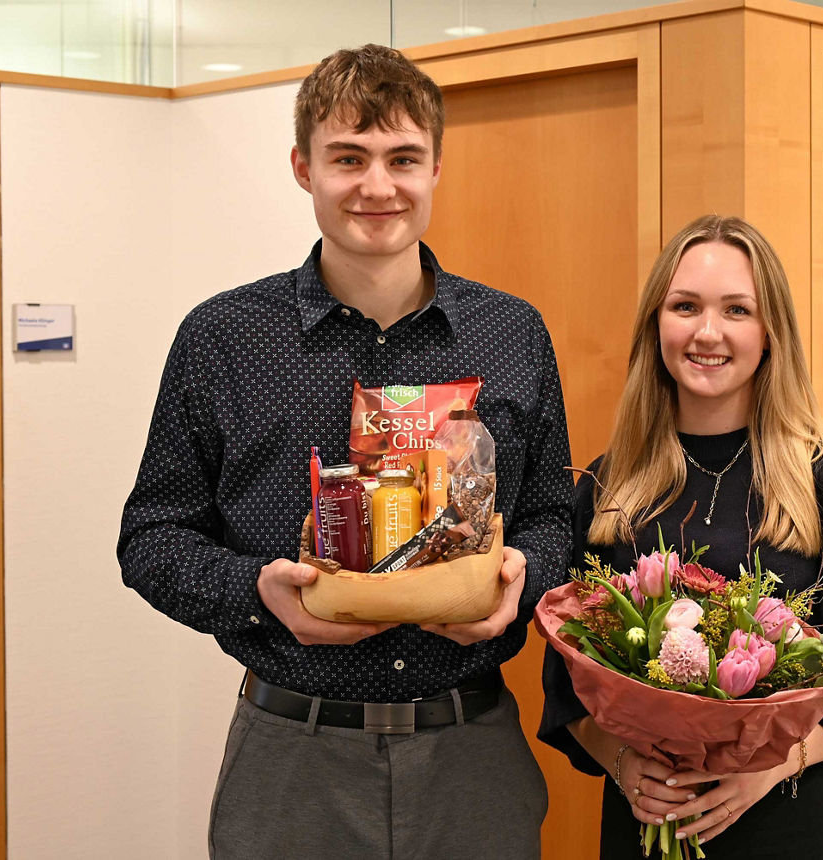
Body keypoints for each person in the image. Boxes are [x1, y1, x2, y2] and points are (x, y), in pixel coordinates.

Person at [118, 45, 571, 859]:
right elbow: (152, 540)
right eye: (348, 158)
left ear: (437, 167)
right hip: (290, 758)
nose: (377, 186)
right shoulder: (222, 338)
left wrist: (519, 585)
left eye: (403, 158)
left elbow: (550, 518)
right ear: (303, 168)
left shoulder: (514, 334)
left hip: (472, 752)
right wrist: (260, 592)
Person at [538, 214, 823, 858]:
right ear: (656, 325)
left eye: (737, 310)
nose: (707, 332)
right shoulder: (608, 488)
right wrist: (625, 766)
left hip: (796, 823)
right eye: (685, 306)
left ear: (769, 332)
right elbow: (567, 686)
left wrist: (769, 766)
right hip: (649, 827)